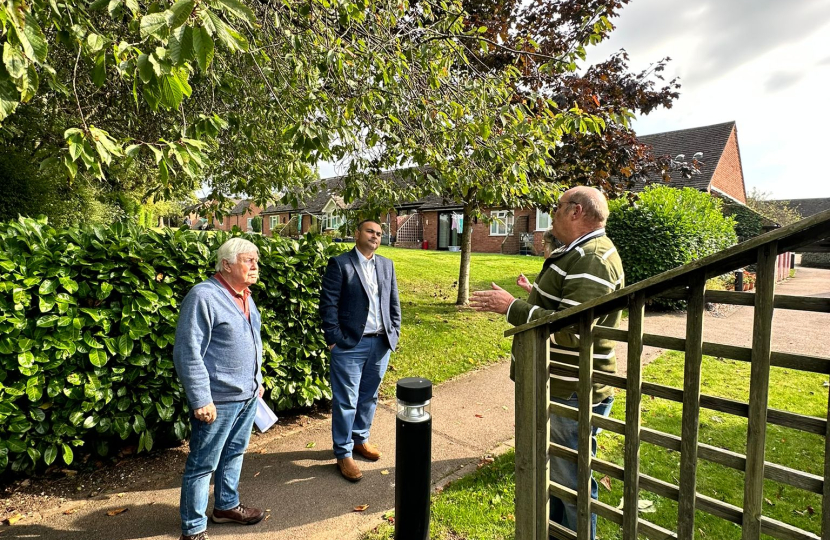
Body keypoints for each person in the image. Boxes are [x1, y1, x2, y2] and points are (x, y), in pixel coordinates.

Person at [470, 186, 624, 539]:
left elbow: (571, 330)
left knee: (572, 483)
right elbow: (569, 308)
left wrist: (511, 307)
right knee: (558, 476)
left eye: (556, 207)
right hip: (564, 384)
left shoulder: (593, 259)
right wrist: (534, 294)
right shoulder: (579, 253)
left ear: (575, 212)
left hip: (574, 388)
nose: (550, 213)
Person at [173, 238, 266, 540]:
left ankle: (226, 506)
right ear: (226, 264)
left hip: (247, 396)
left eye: (256, 260)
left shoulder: (246, 296)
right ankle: (193, 529)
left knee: (235, 453)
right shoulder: (203, 296)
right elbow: (188, 351)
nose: (255, 266)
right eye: (248, 260)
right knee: (202, 465)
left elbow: (253, 342)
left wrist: (257, 380)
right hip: (218, 401)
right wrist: (201, 398)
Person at [320, 219, 401, 482]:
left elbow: (393, 303)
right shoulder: (340, 264)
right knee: (346, 400)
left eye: (379, 233)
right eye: (370, 231)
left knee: (369, 396)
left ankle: (360, 439)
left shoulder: (387, 265)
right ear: (357, 234)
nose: (376, 236)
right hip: (349, 345)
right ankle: (343, 453)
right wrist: (334, 339)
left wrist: (394, 333)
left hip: (380, 343)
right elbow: (328, 304)